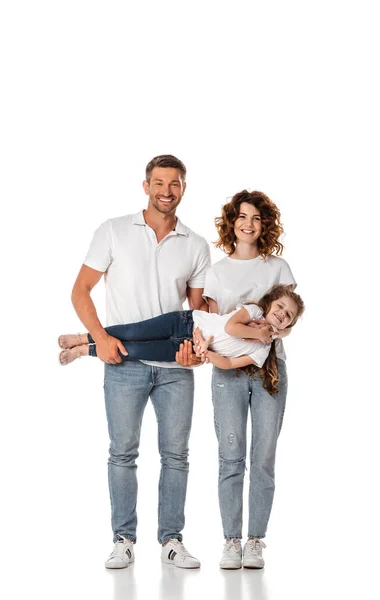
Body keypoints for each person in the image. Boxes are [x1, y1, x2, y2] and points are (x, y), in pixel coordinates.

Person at [70, 155, 211, 569]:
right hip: (123, 365)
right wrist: (99, 337)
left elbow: (196, 315)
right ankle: (123, 539)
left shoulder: (196, 244)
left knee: (176, 456)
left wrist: (197, 354)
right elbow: (81, 290)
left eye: (175, 184)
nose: (166, 191)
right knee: (122, 452)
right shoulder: (113, 231)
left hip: (175, 370)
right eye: (159, 182)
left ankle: (171, 539)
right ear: (146, 185)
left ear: (183, 188)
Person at [202, 189, 298, 570]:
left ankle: (255, 540)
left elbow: (289, 320)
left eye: (257, 218)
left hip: (270, 371)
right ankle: (230, 540)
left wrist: (270, 336)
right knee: (230, 455)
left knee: (263, 457)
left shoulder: (278, 267)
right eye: (242, 216)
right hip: (226, 369)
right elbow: (210, 321)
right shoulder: (216, 271)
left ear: (265, 225)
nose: (248, 224)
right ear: (231, 221)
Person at [58, 285, 304, 397]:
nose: (282, 313)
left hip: (186, 347)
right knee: (132, 332)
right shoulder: (253, 312)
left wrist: (207, 354)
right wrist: (259, 333)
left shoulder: (263, 351)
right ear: (270, 302)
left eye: (288, 315)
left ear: (288, 325)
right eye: (281, 306)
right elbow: (231, 327)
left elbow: (228, 364)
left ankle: (83, 351)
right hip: (186, 322)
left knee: (132, 350)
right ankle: (82, 337)